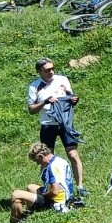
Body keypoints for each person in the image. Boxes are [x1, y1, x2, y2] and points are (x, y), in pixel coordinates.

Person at [26, 58, 86, 197]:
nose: (51, 72)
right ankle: (49, 187)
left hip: (65, 123)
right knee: (46, 158)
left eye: (52, 68)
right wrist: (45, 102)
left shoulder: (62, 79)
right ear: (39, 71)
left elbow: (70, 96)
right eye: (47, 70)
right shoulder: (34, 87)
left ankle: (80, 186)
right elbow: (31, 109)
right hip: (47, 126)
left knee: (73, 154)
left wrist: (74, 100)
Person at [10, 142, 73, 223]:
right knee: (30, 187)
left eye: (37, 161)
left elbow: (55, 192)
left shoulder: (52, 167)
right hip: (67, 195)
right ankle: (32, 209)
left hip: (57, 202)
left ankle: (15, 222)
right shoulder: (60, 160)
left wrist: (44, 195)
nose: (38, 164)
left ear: (41, 156)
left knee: (16, 195)